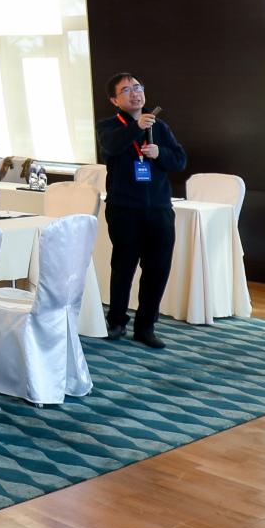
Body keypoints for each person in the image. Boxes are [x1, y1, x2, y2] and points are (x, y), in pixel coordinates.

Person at [97, 73, 187, 349]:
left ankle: (146, 326)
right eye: (126, 90)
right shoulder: (109, 126)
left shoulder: (160, 126)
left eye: (138, 87)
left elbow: (180, 160)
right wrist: (136, 127)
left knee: (157, 269)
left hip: (159, 208)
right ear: (114, 100)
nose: (135, 93)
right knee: (123, 267)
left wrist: (160, 154)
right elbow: (111, 147)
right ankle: (116, 320)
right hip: (125, 209)